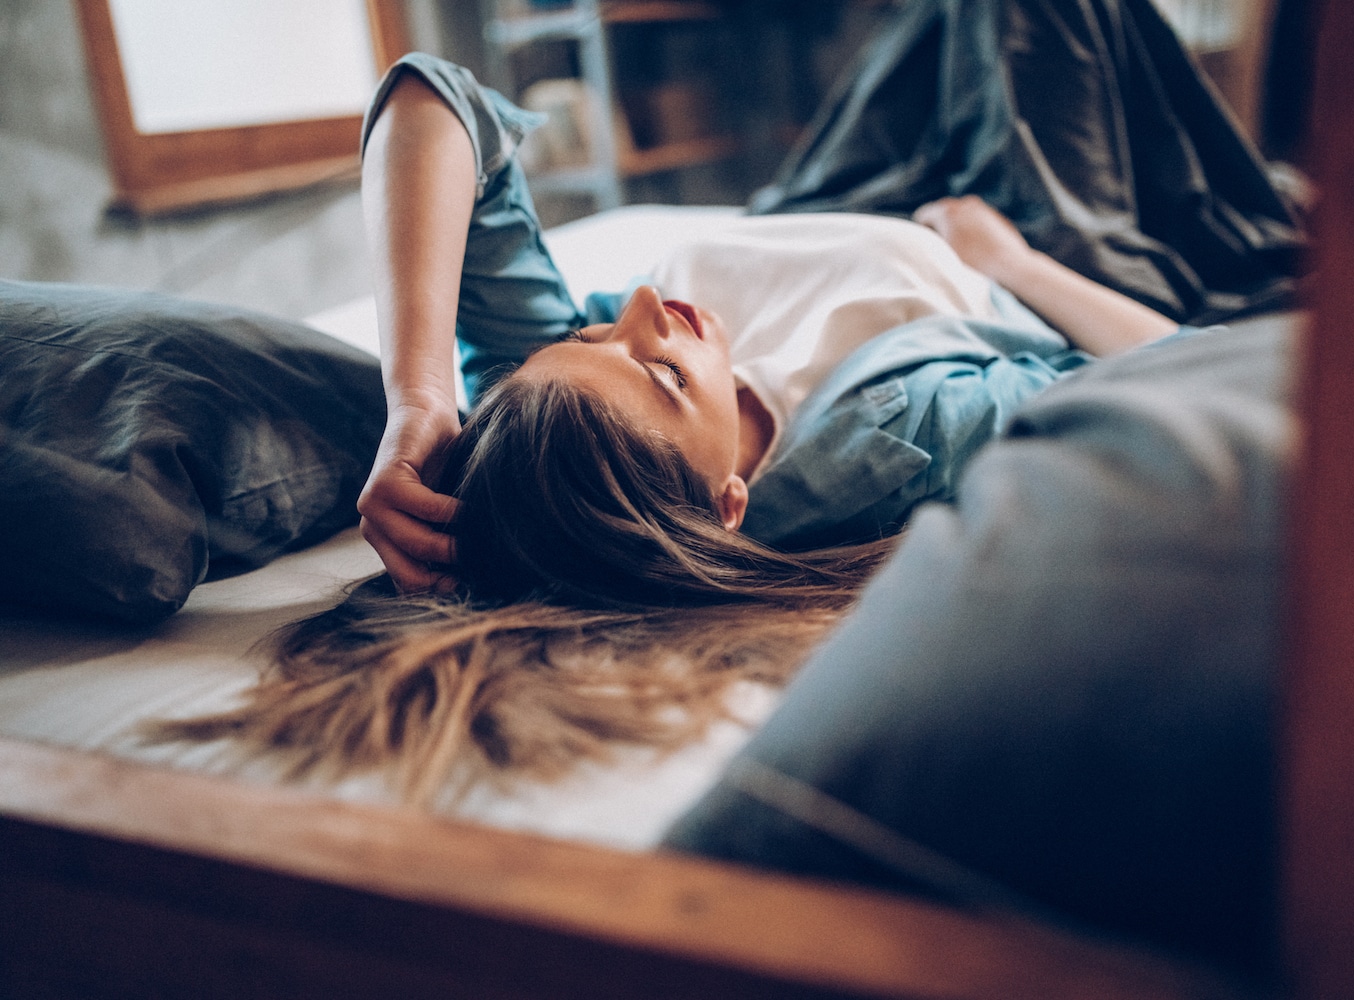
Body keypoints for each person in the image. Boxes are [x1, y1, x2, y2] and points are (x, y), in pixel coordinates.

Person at [155, 53, 1191, 797]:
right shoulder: (909, 437)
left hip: (826, 197)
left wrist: (421, 394)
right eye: (662, 374)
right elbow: (1170, 367)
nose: (648, 311)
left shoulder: (553, 407)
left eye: (600, 332)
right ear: (728, 503)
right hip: (1016, 236)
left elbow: (437, 96)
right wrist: (1012, 261)